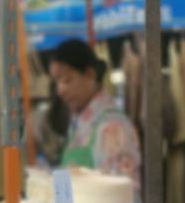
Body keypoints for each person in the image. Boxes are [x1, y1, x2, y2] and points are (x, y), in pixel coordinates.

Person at [46, 38, 141, 185]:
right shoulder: (78, 122)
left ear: (89, 75)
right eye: (56, 82)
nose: (60, 91)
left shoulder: (112, 127)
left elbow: (119, 196)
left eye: (66, 80)